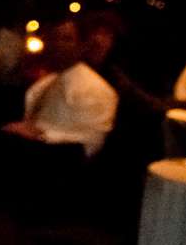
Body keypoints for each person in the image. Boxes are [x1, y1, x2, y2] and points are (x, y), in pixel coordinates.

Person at [9, 16, 118, 156]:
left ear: (81, 45)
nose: (58, 44)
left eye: (67, 39)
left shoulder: (97, 89)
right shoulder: (46, 82)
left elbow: (92, 140)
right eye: (54, 38)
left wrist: (42, 135)